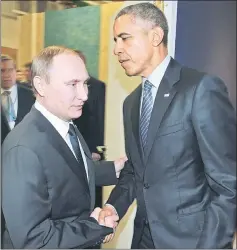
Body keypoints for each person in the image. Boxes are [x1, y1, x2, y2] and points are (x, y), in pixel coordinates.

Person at [98, 2, 236, 249]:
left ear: (155, 36)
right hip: (144, 240)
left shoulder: (200, 89)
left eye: (125, 38)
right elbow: (135, 171)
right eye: (115, 40)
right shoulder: (131, 103)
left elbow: (227, 184)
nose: (117, 49)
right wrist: (112, 206)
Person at [2, 46, 126, 249]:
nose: (84, 95)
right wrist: (94, 227)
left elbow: (62, 172)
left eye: (85, 83)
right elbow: (34, 240)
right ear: (41, 86)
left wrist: (112, 169)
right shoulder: (23, 147)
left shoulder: (65, 125)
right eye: (72, 84)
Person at [1, 55, 35, 246]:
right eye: (2, 71)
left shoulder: (30, 95)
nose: (7, 75)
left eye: (10, 70)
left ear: (16, 71)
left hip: (27, 166)